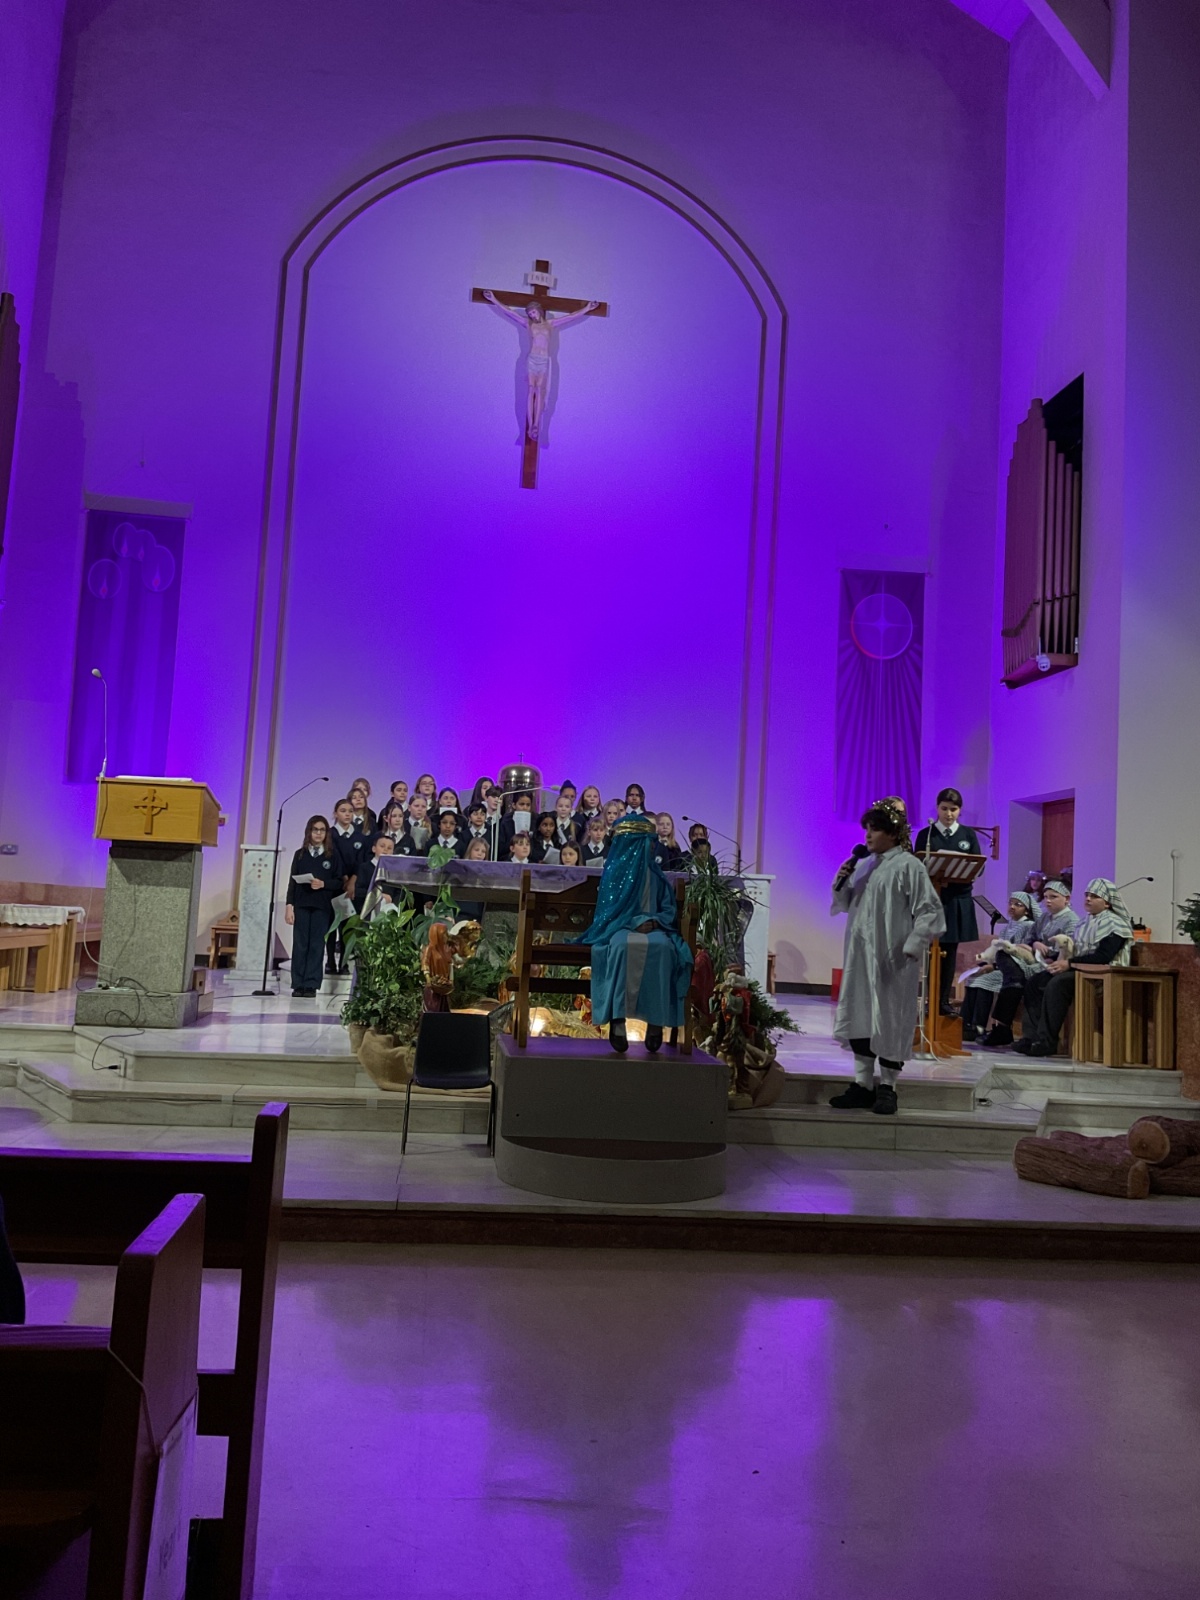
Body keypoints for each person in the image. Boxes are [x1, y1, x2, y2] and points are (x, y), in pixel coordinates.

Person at [829, 800, 946, 1115]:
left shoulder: (909, 865)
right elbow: (844, 903)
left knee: (891, 1019)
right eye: (866, 829)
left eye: (875, 829)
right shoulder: (864, 865)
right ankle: (862, 1084)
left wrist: (912, 945)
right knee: (860, 1015)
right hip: (860, 956)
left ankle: (888, 1087)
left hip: (893, 958)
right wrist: (841, 880)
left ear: (894, 833)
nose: (868, 835)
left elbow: (929, 910)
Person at [572, 814, 694, 1053]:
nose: (651, 847)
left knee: (664, 949)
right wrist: (634, 922)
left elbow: (668, 909)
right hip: (622, 929)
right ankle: (617, 1021)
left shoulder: (655, 875)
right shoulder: (615, 875)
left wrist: (654, 921)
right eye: (646, 842)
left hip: (655, 929)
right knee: (619, 948)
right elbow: (609, 912)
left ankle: (656, 1022)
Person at [1009, 878, 1133, 1057]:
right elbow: (1075, 950)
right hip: (1080, 968)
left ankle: (1046, 1041)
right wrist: (1054, 959)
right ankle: (1031, 1038)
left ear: (1107, 903)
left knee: (1057, 984)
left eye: (1094, 896)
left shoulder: (1115, 923)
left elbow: (1103, 957)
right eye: (1087, 895)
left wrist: (1068, 964)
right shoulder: (1084, 922)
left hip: (1102, 974)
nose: (1088, 899)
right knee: (1036, 981)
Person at [982, 879, 1082, 1048]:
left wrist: (1051, 955)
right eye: (1045, 897)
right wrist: (1035, 944)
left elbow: (1069, 946)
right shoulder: (1044, 917)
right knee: (1003, 955)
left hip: (1051, 962)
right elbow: (1031, 938)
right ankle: (996, 1025)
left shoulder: (1071, 920)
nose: (1048, 900)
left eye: (1053, 897)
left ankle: (1014, 1030)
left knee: (1021, 983)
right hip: (1034, 958)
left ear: (1066, 898)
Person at [913, 787, 982, 1014]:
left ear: (960, 810)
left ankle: (943, 1001)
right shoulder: (927, 835)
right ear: (937, 808)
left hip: (957, 899)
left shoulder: (968, 835)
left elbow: (978, 866)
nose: (949, 814)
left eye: (953, 809)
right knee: (931, 950)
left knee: (950, 950)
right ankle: (929, 1000)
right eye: (944, 809)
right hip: (934, 900)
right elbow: (917, 866)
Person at [960, 891, 1037, 1042]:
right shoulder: (1008, 927)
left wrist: (994, 967)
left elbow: (1021, 954)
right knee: (973, 978)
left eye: (1018, 905)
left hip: (1016, 969)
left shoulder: (1028, 926)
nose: (1012, 907)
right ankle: (964, 1024)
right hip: (1002, 965)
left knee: (984, 980)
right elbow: (996, 951)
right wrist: (986, 963)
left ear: (1027, 910)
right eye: (1011, 903)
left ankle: (979, 1026)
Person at [285, 815, 341, 997]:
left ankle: (311, 984)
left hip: (322, 907)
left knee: (317, 945)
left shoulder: (332, 855)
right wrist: (289, 906)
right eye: (315, 829)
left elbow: (339, 881)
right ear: (309, 831)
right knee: (300, 944)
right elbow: (292, 883)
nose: (318, 833)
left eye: (322, 830)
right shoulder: (300, 854)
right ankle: (298, 984)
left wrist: (324, 884)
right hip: (302, 904)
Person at [499, 791, 535, 856]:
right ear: (514, 805)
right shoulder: (506, 822)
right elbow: (501, 848)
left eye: (528, 805)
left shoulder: (535, 821)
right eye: (521, 804)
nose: (525, 808)